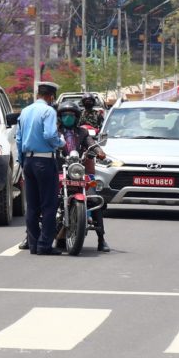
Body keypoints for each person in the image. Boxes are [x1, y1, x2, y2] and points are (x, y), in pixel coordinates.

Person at [16, 82, 65, 255]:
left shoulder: (25, 111)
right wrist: (61, 143)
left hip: (28, 162)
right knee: (49, 205)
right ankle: (44, 245)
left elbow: (19, 139)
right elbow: (50, 135)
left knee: (32, 206)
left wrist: (22, 162)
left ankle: (34, 243)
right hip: (44, 162)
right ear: (51, 96)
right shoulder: (48, 111)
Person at [55, 102, 110, 252]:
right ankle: (31, 236)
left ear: (77, 117)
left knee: (94, 198)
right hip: (59, 171)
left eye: (71, 115)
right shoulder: (54, 132)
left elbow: (91, 144)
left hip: (78, 171)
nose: (68, 118)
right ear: (60, 117)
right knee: (45, 199)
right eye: (65, 115)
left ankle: (101, 239)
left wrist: (99, 151)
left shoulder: (82, 133)